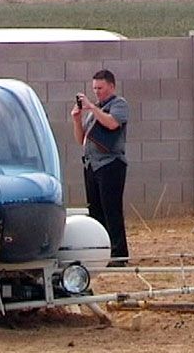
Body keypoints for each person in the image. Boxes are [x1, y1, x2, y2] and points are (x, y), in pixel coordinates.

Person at [70, 69, 129, 266]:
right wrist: (77, 118)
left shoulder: (118, 104)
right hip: (91, 165)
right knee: (96, 210)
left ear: (111, 86)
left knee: (111, 209)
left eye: (100, 88)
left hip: (110, 164)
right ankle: (102, 251)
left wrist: (92, 109)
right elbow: (81, 139)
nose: (97, 92)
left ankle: (119, 254)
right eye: (94, 88)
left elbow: (112, 124)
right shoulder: (94, 110)